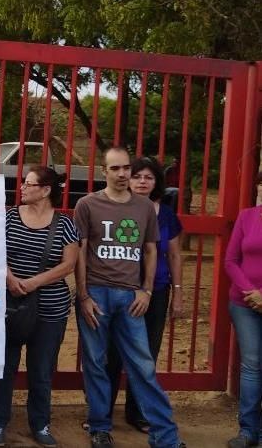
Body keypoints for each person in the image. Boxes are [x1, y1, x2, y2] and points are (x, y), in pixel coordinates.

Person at [75, 147, 185, 448]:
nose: (122, 174)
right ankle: (99, 427)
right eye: (116, 169)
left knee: (143, 365)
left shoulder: (145, 207)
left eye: (126, 168)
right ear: (104, 172)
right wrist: (83, 296)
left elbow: (151, 250)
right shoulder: (87, 204)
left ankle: (166, 436)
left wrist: (147, 290)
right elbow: (80, 252)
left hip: (130, 296)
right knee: (96, 363)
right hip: (95, 294)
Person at [0, 165, 79, 447]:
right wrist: (10, 278)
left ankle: (40, 423)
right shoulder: (10, 217)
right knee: (5, 368)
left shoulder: (64, 224)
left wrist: (35, 282)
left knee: (41, 371)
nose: (22, 188)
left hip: (50, 309)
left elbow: (69, 264)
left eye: (29, 184)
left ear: (46, 190)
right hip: (10, 304)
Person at [105, 156, 184, 434]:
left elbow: (174, 254)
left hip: (156, 291)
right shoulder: (116, 207)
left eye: (148, 177)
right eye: (137, 176)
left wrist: (177, 292)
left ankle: (138, 414)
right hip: (120, 288)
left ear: (156, 182)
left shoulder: (166, 214)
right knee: (112, 354)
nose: (141, 181)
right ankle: (102, 413)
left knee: (146, 355)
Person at [224, 202, 262, 448]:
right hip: (244, 303)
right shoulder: (247, 217)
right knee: (252, 363)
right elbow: (230, 260)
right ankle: (248, 431)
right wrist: (252, 292)